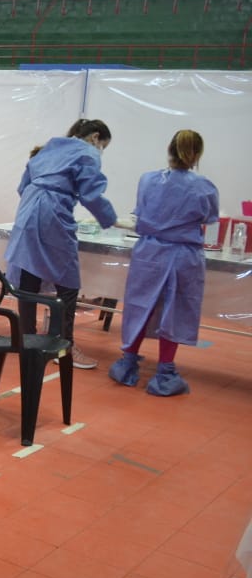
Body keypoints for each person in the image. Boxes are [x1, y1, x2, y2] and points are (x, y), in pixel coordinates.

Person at [108, 129, 218, 396]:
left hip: (149, 253)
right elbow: (209, 218)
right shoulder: (204, 187)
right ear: (197, 155)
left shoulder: (148, 180)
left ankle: (127, 364)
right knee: (175, 311)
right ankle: (165, 372)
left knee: (139, 306)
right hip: (183, 256)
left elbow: (140, 213)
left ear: (169, 150)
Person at [4, 118, 118, 370]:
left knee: (28, 276)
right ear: (95, 137)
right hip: (52, 215)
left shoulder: (48, 148)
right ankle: (63, 345)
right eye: (103, 146)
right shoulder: (87, 152)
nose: (100, 151)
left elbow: (23, 187)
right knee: (68, 282)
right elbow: (91, 193)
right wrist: (112, 218)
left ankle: (28, 342)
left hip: (28, 212)